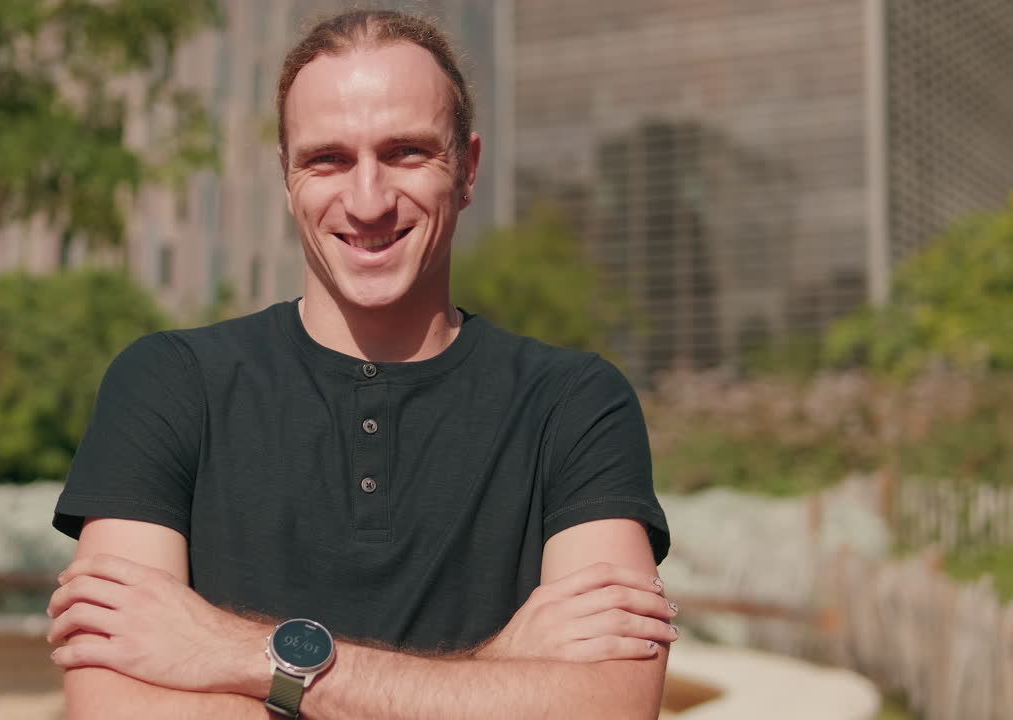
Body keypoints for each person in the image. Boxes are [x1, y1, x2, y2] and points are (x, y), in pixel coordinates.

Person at [46, 9, 675, 719]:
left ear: (468, 169)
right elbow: (112, 706)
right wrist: (496, 672)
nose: (368, 200)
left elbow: (609, 708)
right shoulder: (167, 385)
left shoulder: (575, 404)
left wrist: (237, 654)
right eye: (328, 159)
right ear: (286, 177)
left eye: (406, 152)